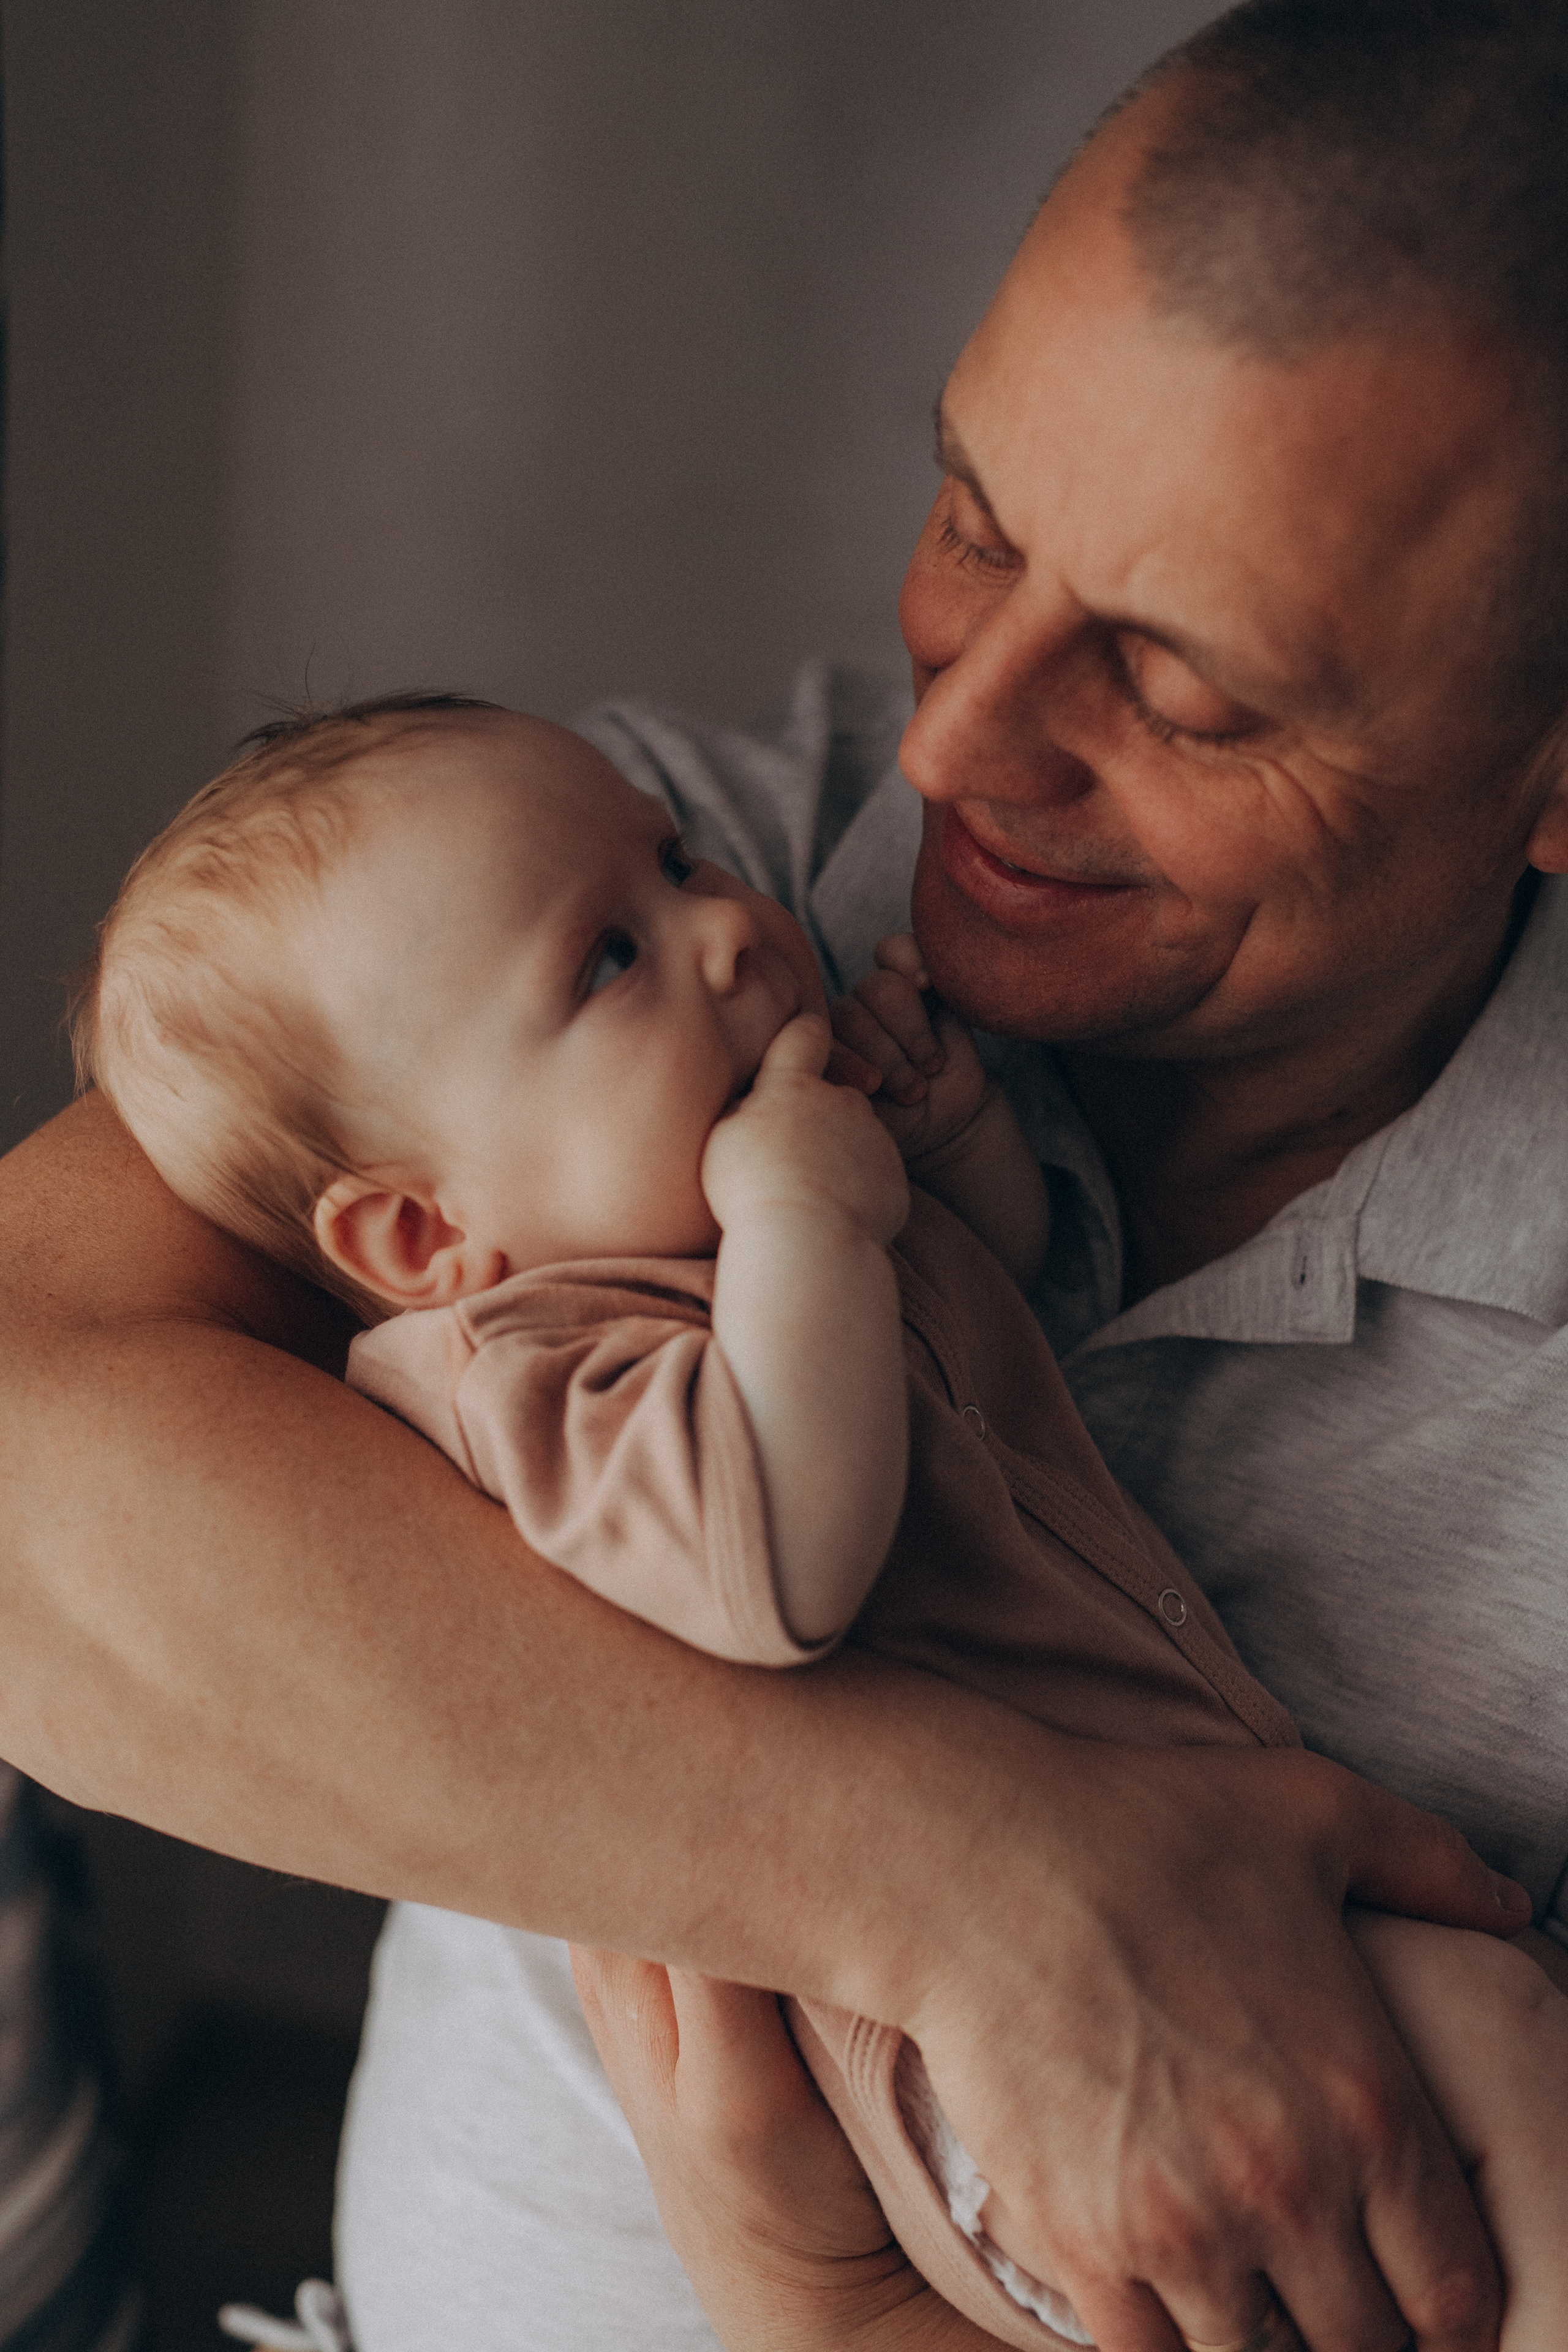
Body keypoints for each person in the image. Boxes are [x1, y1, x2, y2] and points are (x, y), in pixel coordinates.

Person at [3, 0, 1567, 2346]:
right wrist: (975, 1879)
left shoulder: (675, 962)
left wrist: (823, 2307)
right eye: (974, 516)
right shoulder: (613, 904)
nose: (946, 741)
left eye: (1180, 689)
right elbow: (28, 1482)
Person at [67, 695, 1568, 2352]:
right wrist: (804, 1216)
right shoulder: (545, 1376)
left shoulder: (738, 1227)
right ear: (428, 1233)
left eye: (681, 858)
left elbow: (994, 1308)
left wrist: (943, 1148)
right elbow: (785, 1561)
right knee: (1497, 2064)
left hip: (1192, 1963)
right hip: (965, 2083)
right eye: (609, 964)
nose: (726, 927)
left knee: (1496, 2066)